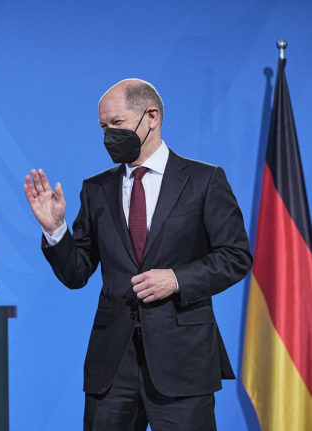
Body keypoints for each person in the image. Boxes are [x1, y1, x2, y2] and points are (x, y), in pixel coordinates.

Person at [24, 79, 252, 430]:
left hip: (183, 363)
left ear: (151, 117)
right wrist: (55, 231)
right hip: (112, 366)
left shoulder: (205, 180)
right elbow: (76, 273)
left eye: (116, 124)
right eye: (102, 127)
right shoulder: (96, 188)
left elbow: (235, 256)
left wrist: (176, 279)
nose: (108, 135)